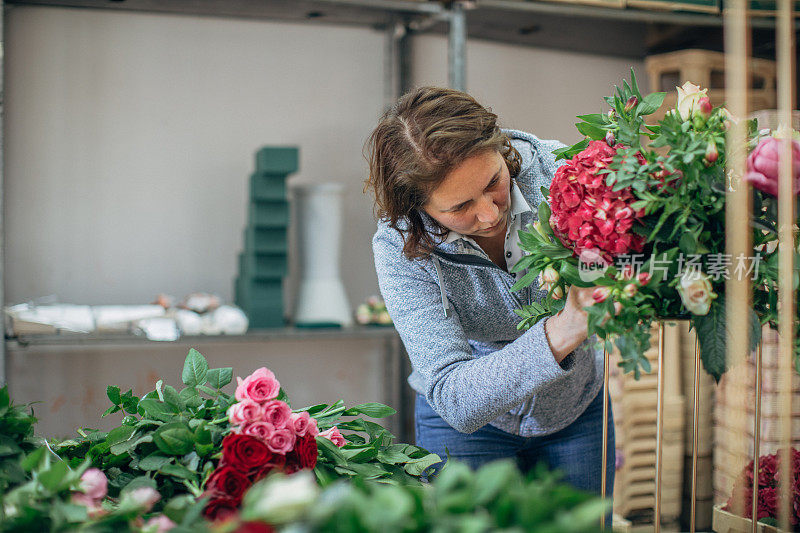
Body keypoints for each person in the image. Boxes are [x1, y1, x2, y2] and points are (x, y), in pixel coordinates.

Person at [364, 86, 614, 503]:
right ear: (417, 208)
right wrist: (564, 330)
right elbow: (455, 395)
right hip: (470, 427)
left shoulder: (565, 173)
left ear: (502, 149)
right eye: (459, 207)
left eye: (494, 182)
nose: (491, 213)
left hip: (577, 407)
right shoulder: (398, 248)